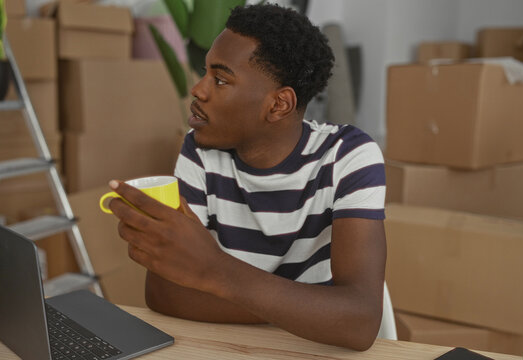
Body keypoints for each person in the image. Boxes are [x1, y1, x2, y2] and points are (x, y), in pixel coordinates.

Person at [107, 3, 386, 351]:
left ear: (278, 105)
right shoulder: (200, 151)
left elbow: (358, 322)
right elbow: (164, 293)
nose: (198, 89)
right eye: (205, 72)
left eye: (220, 79)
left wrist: (212, 271)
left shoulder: (347, 155)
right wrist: (311, 308)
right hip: (237, 347)